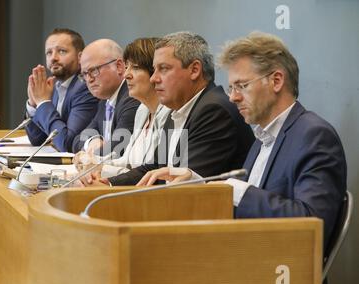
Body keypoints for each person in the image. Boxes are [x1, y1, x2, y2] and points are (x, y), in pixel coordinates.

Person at [142, 32, 347, 253]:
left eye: (242, 86)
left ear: (276, 81)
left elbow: (313, 226)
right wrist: (200, 184)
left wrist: (236, 190)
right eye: (231, 88)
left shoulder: (314, 136)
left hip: (282, 277)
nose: (233, 97)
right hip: (245, 258)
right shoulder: (262, 138)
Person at [86, 31, 254, 186]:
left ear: (194, 70)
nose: (153, 78)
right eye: (154, 69)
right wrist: (107, 183)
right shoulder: (177, 109)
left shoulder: (213, 111)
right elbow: (154, 168)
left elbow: (183, 186)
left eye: (163, 69)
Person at [74, 37, 171, 178]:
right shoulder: (142, 111)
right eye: (84, 74)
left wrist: (99, 168)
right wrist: (93, 162)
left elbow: (154, 175)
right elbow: (126, 162)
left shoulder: (170, 115)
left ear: (155, 74)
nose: (127, 74)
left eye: (135, 68)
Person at [25, 28, 99, 152]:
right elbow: (37, 139)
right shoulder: (53, 87)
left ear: (80, 56)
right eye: (49, 52)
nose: (53, 58)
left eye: (62, 51)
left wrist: (43, 103)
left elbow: (67, 143)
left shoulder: (86, 88)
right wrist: (33, 104)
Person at [72, 39, 140, 156]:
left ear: (119, 66)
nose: (89, 79)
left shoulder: (132, 97)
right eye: (84, 74)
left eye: (93, 70)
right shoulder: (104, 101)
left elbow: (116, 150)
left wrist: (89, 156)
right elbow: (76, 140)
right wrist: (92, 141)